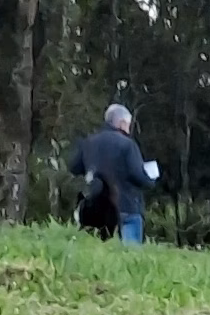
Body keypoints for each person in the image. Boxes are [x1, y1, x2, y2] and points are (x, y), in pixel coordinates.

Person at [68, 102, 161, 246]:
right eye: (128, 124)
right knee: (130, 257)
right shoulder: (127, 145)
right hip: (127, 206)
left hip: (96, 207)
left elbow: (74, 167)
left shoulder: (88, 143)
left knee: (98, 254)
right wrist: (150, 178)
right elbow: (138, 176)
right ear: (122, 123)